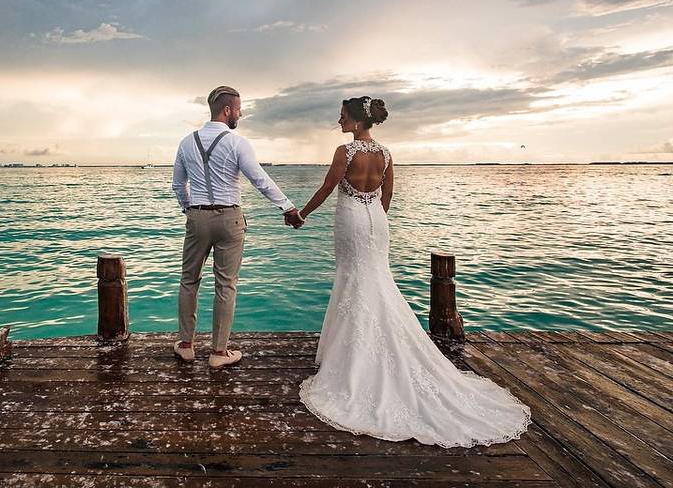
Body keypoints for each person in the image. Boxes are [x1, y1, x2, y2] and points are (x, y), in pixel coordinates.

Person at [293, 96, 531, 447]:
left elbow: (329, 188)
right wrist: (374, 217)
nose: (338, 121)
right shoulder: (386, 154)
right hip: (377, 222)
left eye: (342, 116)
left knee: (354, 281)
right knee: (376, 280)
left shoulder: (344, 152)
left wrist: (302, 214)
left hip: (351, 221)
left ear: (358, 122)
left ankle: (353, 363)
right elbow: (386, 196)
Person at [172, 85, 302, 369]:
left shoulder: (186, 142)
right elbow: (260, 180)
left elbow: (177, 185)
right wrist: (288, 207)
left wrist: (190, 210)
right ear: (227, 110)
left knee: (189, 280)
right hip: (230, 218)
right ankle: (219, 352)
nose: (240, 114)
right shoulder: (237, 142)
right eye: (239, 109)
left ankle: (185, 345)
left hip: (197, 216)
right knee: (226, 284)